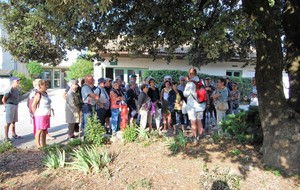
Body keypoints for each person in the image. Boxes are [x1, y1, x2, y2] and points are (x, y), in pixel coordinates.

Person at [183, 68, 206, 144]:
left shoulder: (189, 83)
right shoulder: (201, 81)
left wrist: (187, 83)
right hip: (200, 105)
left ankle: (195, 137)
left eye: (189, 73)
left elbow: (185, 94)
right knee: (199, 121)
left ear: (191, 74)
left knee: (193, 122)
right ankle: (200, 135)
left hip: (192, 107)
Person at [31, 80, 52, 148]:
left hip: (46, 115)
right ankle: (38, 145)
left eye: (47, 85)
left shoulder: (45, 93)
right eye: (45, 85)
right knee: (39, 130)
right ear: (40, 85)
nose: (47, 86)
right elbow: (33, 105)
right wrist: (35, 114)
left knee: (44, 130)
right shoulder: (38, 94)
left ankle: (44, 144)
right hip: (40, 115)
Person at [2, 76, 21, 141]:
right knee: (8, 122)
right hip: (10, 106)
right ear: (13, 82)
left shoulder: (17, 90)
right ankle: (6, 137)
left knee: (13, 121)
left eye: (19, 81)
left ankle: (14, 134)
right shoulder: (10, 89)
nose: (19, 82)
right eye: (17, 81)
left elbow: (19, 98)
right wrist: (6, 106)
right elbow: (3, 99)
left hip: (15, 105)